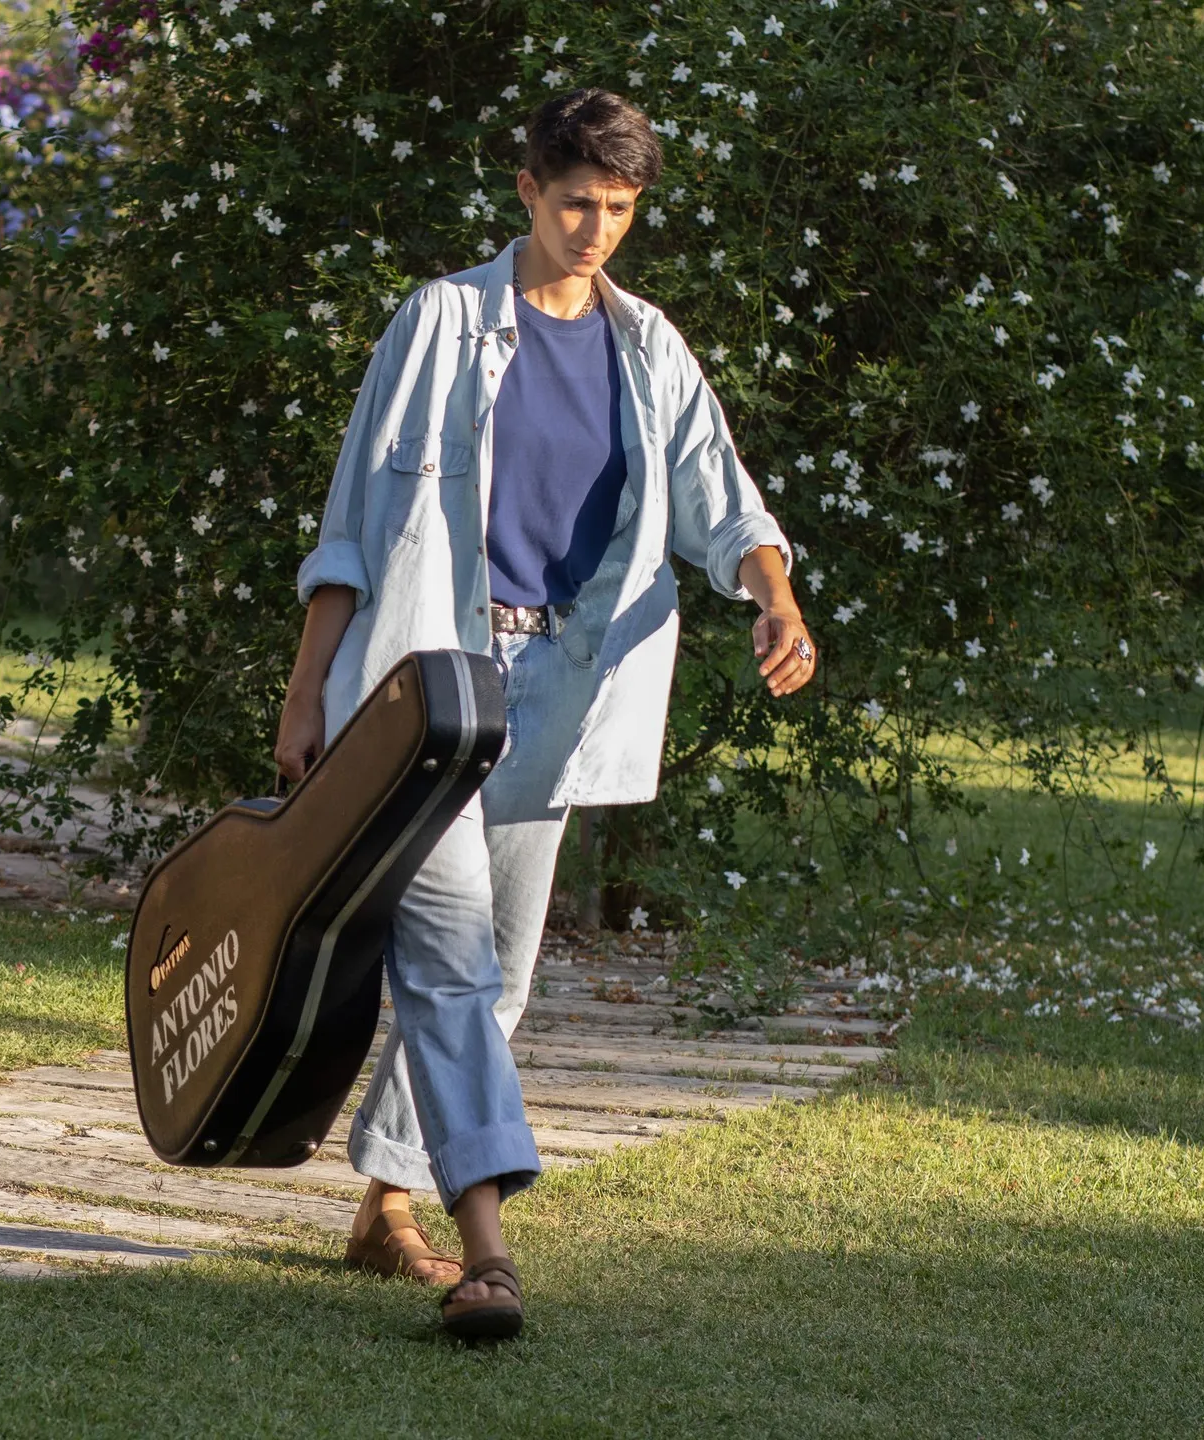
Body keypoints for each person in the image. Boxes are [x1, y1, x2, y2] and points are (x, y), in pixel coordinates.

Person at [276, 88, 815, 1340]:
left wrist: (775, 600)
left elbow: (723, 505)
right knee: (455, 956)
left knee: (500, 974)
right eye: (576, 203)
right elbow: (353, 523)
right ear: (525, 190)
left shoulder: (650, 349)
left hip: (559, 698)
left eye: (620, 210)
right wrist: (307, 689)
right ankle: (487, 1253)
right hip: (424, 691)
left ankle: (383, 1201)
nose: (596, 231)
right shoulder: (440, 323)